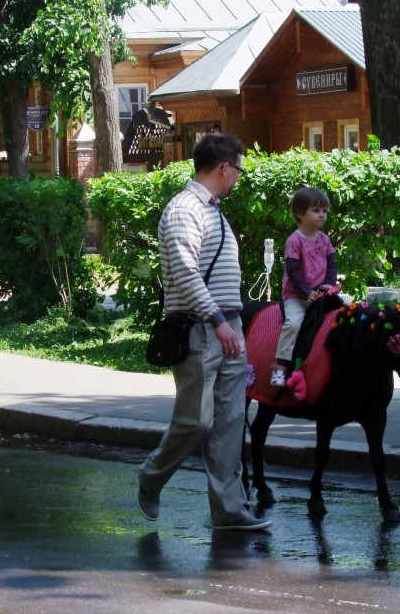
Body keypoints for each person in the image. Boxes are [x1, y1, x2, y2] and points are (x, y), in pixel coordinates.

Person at [138, 132, 271, 531]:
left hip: (228, 328)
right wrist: (216, 321)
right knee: (196, 421)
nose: (238, 179)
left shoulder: (213, 210)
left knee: (230, 422)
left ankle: (229, 511)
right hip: (201, 330)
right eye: (238, 171)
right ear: (224, 167)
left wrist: (231, 324)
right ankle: (151, 476)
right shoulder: (184, 210)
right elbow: (184, 271)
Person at [270, 187, 337, 390]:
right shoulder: (295, 240)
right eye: (316, 210)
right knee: (294, 323)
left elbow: (332, 265)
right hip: (296, 295)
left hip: (320, 293)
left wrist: (330, 284)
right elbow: (292, 271)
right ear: (300, 213)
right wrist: (306, 292)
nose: (322, 215)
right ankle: (280, 366)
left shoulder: (325, 240)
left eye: (324, 211)